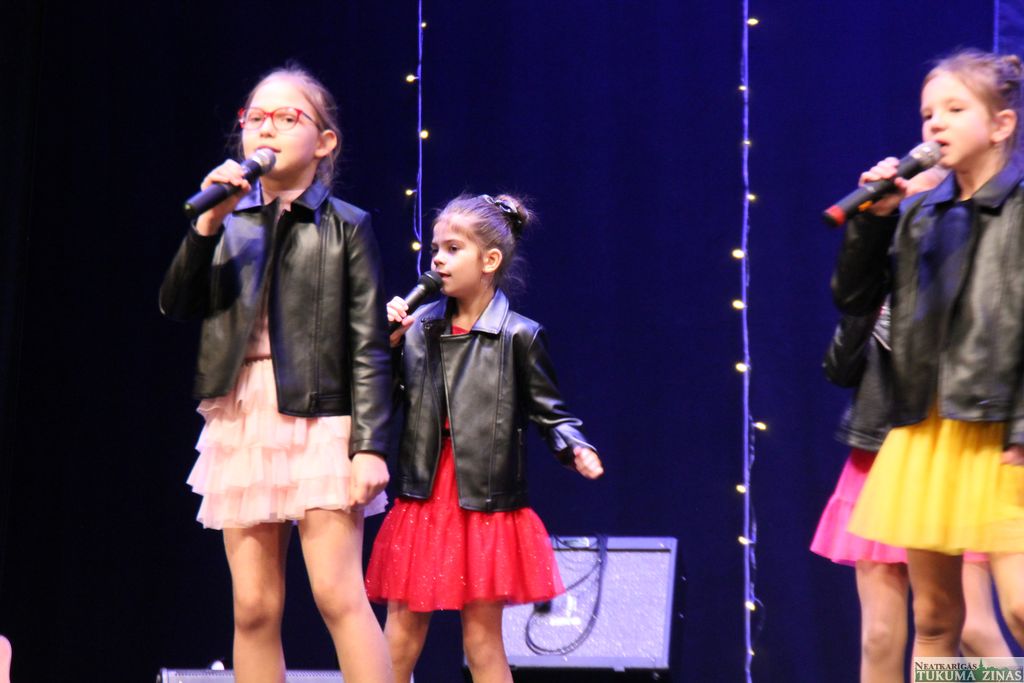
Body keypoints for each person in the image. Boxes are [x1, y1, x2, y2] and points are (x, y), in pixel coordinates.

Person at [159, 65, 393, 683]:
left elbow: (369, 344)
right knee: (254, 606)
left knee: (337, 594)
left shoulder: (347, 225)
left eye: (287, 118)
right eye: (255, 118)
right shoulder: (230, 224)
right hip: (243, 413)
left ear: (324, 141)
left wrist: (370, 446)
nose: (267, 129)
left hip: (322, 413)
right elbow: (177, 304)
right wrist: (206, 225)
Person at [364, 194, 605, 683]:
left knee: (482, 642)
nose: (438, 259)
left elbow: (549, 411)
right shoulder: (418, 330)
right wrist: (381, 347)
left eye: (453, 249)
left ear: (490, 261)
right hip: (424, 495)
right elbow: (382, 402)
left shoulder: (519, 335)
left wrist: (575, 446)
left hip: (485, 501)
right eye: (436, 248)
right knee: (400, 638)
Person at [832, 48, 1024, 657]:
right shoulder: (919, 213)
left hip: (1003, 427)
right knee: (938, 619)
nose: (935, 123)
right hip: (929, 428)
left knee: (1018, 608)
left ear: (1001, 124)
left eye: (954, 109)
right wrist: (874, 220)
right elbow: (855, 298)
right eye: (927, 114)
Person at [813, 304, 1010, 682]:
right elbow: (839, 369)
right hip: (878, 455)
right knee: (879, 636)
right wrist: (865, 303)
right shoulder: (879, 284)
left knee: (971, 629)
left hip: (949, 458)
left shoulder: (971, 279)